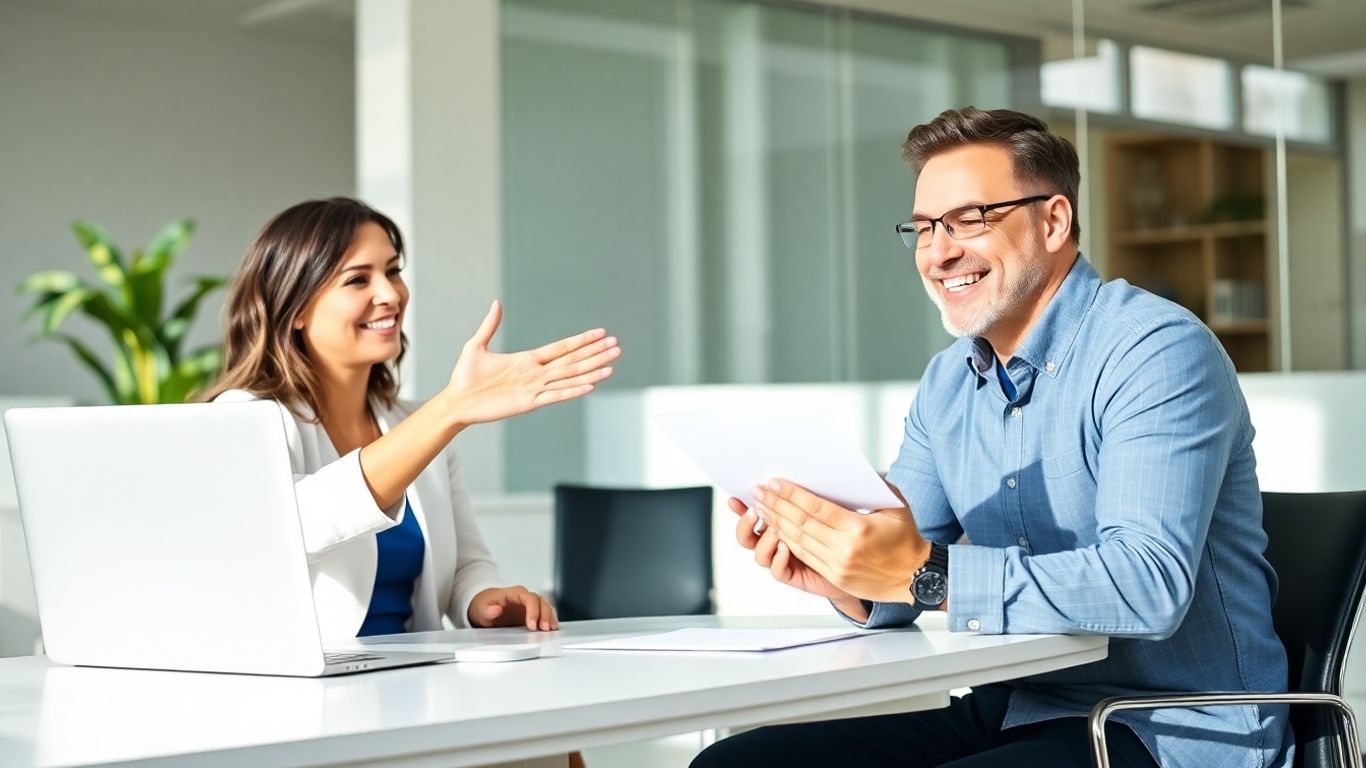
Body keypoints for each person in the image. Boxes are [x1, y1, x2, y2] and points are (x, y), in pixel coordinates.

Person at [692, 108, 1290, 768]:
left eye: (969, 220)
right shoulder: (948, 383)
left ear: (1053, 220)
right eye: (923, 229)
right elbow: (904, 569)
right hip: (1017, 706)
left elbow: (1146, 586)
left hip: (1168, 724)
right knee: (733, 765)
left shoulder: (1155, 351)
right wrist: (843, 571)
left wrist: (921, 572)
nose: (938, 251)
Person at [201, 197, 621, 640]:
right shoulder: (246, 417)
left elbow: (466, 564)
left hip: (412, 677)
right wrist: (451, 408)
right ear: (297, 308)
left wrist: (484, 600)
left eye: (393, 271)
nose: (390, 294)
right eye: (358, 279)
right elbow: (293, 524)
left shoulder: (417, 421)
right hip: (307, 689)